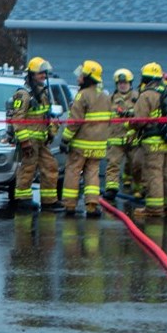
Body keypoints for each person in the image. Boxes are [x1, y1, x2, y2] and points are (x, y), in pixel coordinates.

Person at [59, 60, 113, 216]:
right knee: (92, 172)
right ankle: (92, 205)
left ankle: (69, 205)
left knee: (73, 171)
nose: (78, 78)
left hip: (80, 145)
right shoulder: (105, 96)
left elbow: (75, 121)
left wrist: (65, 139)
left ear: (87, 77)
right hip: (98, 145)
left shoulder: (82, 96)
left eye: (81, 75)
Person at [8, 57, 60, 212]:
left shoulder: (43, 93)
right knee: (28, 169)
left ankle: (49, 201)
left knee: (50, 167)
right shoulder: (23, 94)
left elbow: (46, 116)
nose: (43, 76)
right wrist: (24, 141)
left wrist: (50, 132)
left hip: (41, 140)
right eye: (40, 73)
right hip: (29, 141)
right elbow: (17, 119)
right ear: (32, 75)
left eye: (44, 73)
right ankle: (23, 200)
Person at [130, 62, 167, 219]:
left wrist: (131, 123)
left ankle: (154, 208)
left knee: (154, 173)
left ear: (146, 77)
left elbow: (140, 120)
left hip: (153, 141)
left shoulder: (146, 95)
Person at [103, 69, 138, 201]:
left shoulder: (138, 98)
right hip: (115, 139)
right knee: (113, 164)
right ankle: (111, 189)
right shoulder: (110, 100)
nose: (122, 85)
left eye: (125, 83)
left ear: (130, 83)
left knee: (137, 165)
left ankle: (139, 189)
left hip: (133, 139)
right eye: (120, 83)